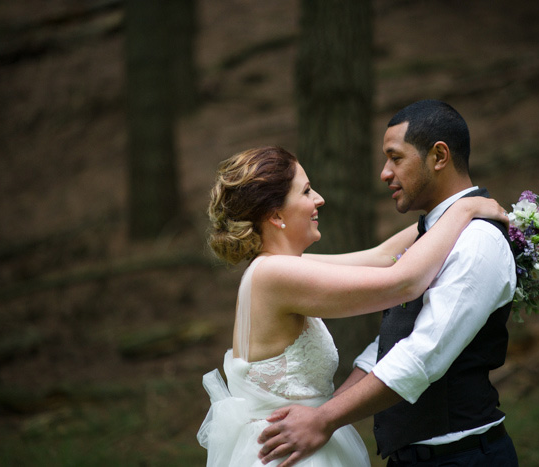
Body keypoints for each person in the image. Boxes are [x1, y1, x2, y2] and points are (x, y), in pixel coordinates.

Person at [196, 145, 509, 466]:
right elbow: (403, 282)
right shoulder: (274, 274)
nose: (319, 199)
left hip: (305, 439)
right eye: (305, 191)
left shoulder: (279, 267)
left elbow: (383, 257)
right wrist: (463, 211)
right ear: (275, 215)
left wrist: (449, 208)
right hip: (289, 451)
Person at [258, 100, 519, 466]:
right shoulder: (434, 234)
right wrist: (325, 416)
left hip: (461, 457)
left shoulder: (478, 241)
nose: (384, 173)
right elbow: (392, 343)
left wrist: (325, 419)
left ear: (439, 156)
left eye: (396, 158)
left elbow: (422, 355)